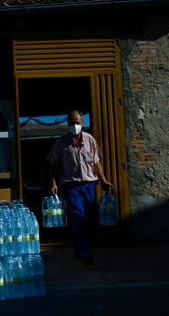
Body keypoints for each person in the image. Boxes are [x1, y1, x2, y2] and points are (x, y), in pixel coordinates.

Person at [47, 110, 113, 266]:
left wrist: (103, 181)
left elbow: (96, 163)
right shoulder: (61, 143)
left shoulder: (90, 140)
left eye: (77, 122)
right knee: (78, 217)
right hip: (71, 186)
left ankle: (86, 243)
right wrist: (53, 182)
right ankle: (84, 252)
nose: (75, 126)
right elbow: (53, 165)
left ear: (82, 123)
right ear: (67, 124)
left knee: (90, 218)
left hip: (89, 185)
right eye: (72, 123)